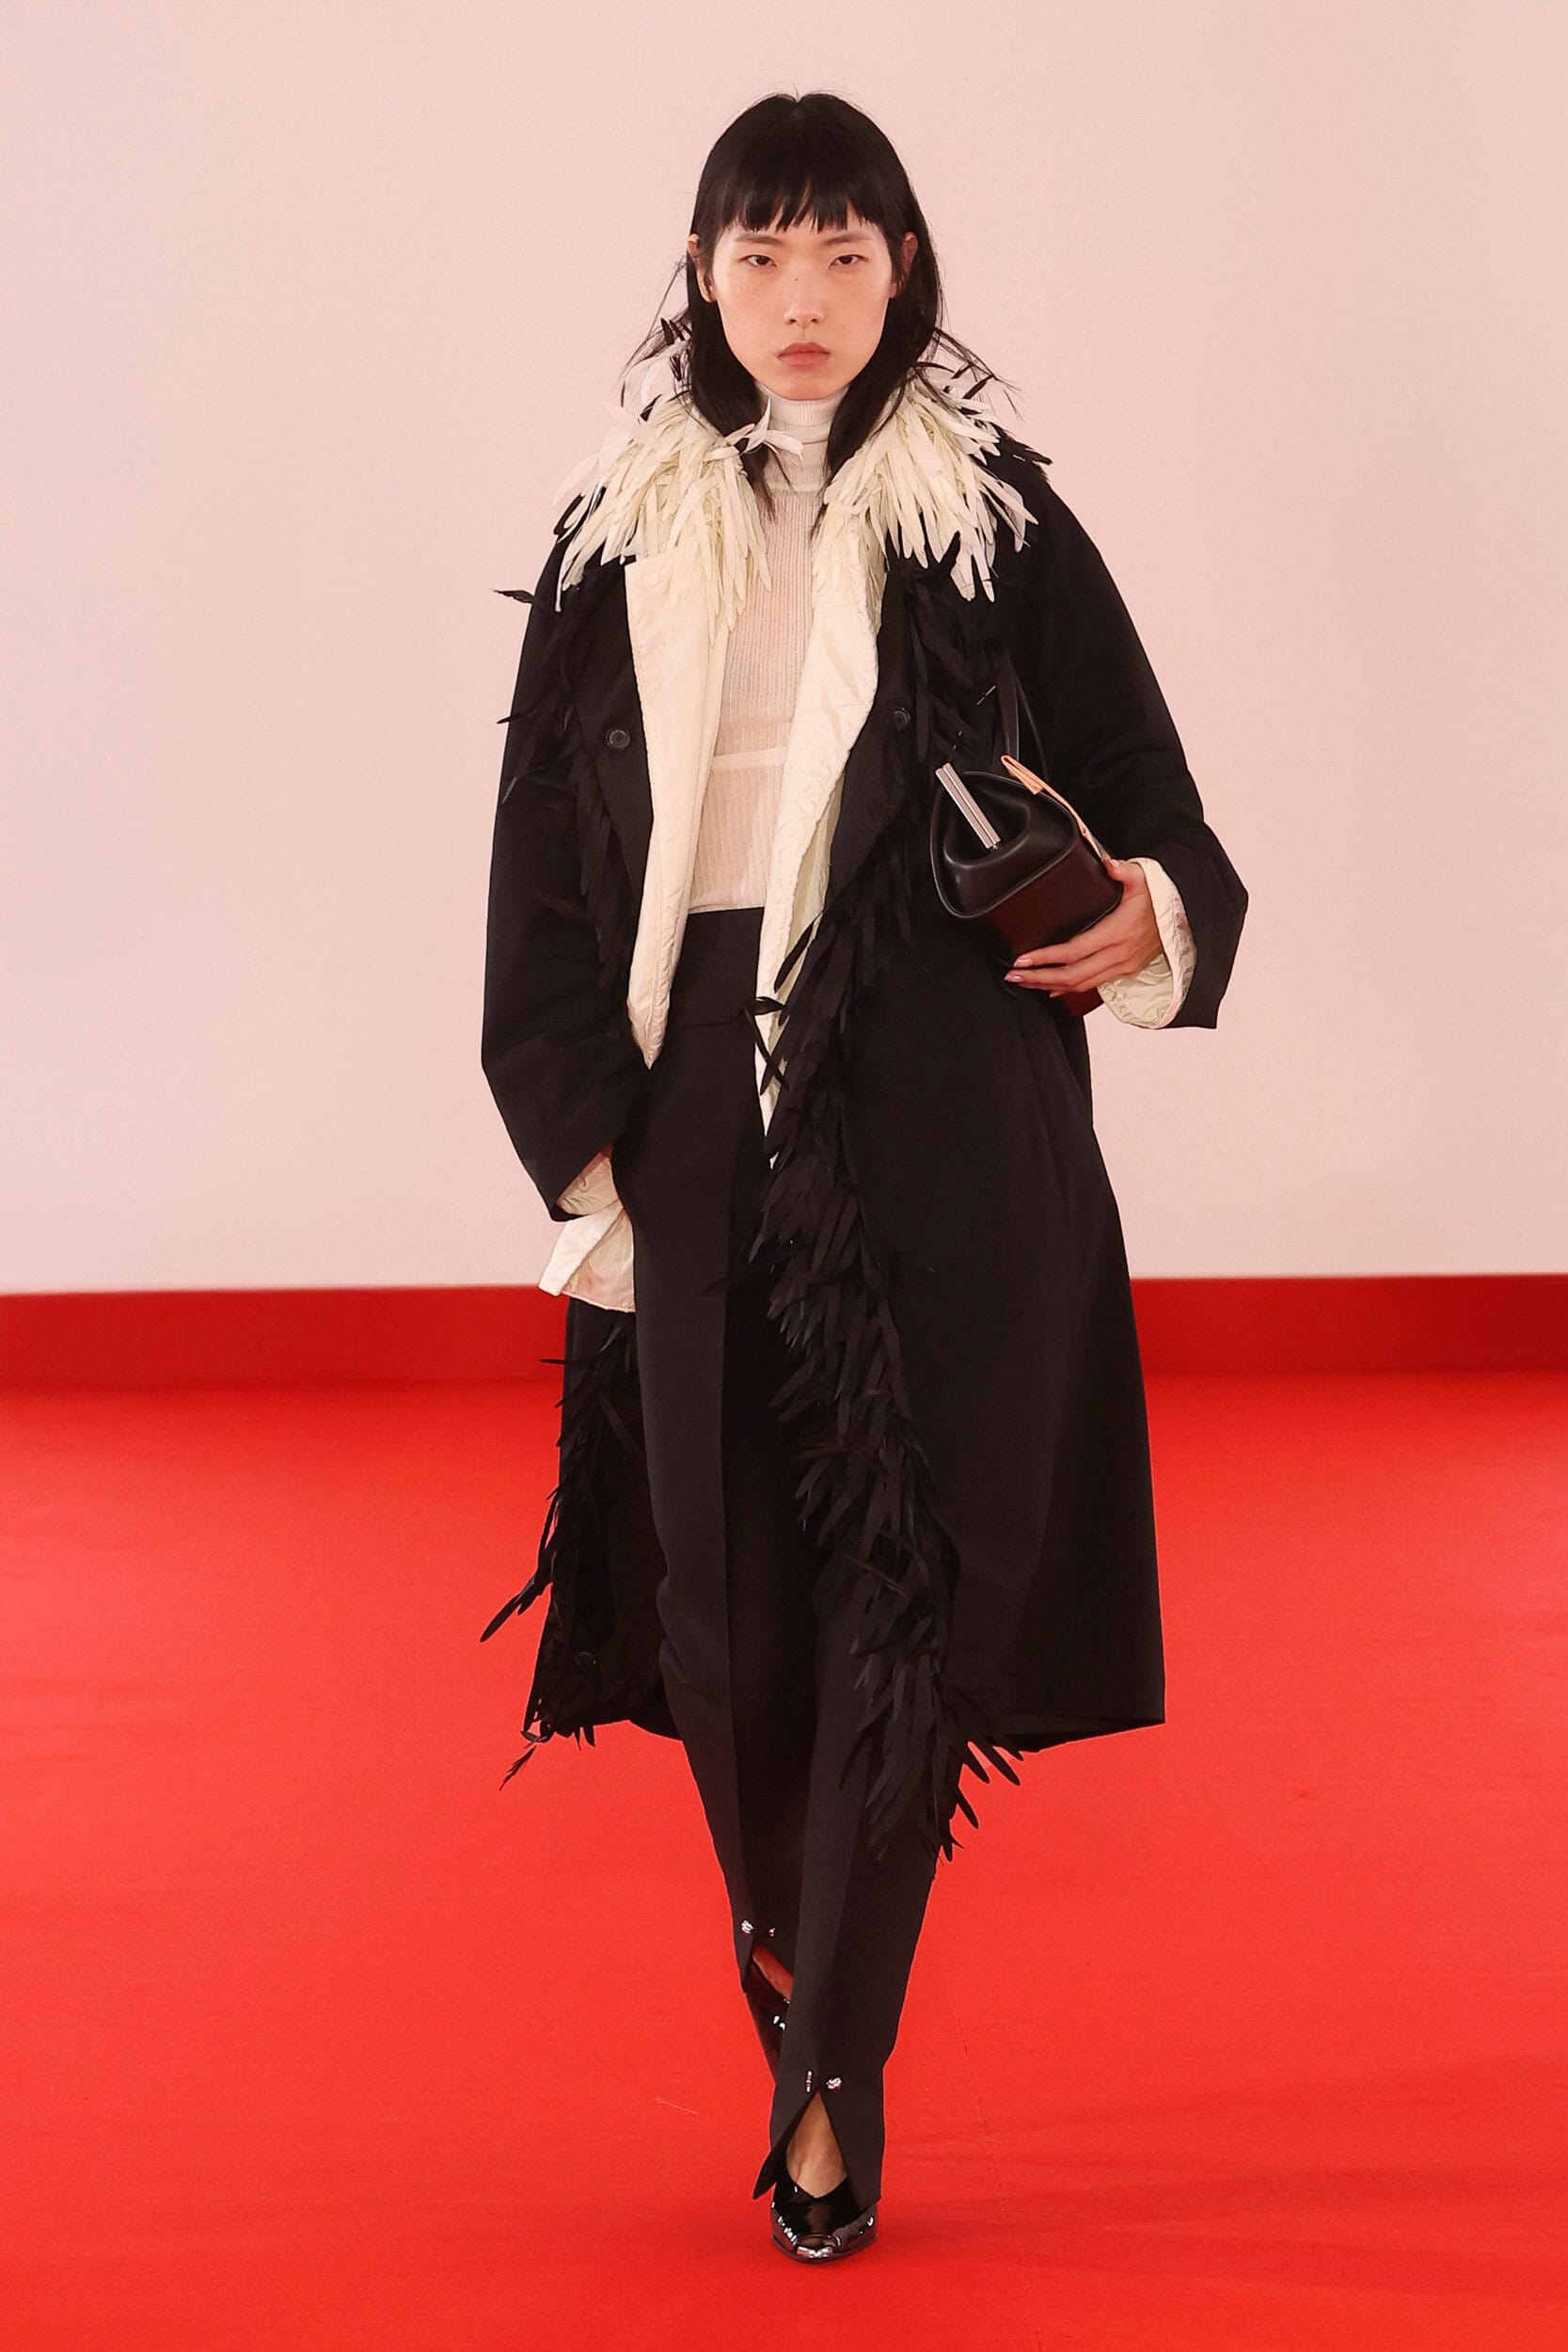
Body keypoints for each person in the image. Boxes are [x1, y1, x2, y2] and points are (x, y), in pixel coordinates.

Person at [479, 89, 1249, 2264]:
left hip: (937, 1089)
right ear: (702, 275)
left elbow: (1157, 804)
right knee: (723, 1605)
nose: (802, 296)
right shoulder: (617, 531)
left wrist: (1145, 914)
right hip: (691, 1093)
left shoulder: (994, 519)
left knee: (906, 1588)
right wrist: (579, 1124)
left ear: (904, 268)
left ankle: (832, 2066)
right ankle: (795, 1940)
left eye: (843, 252)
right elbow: (540, 872)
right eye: (761, 255)